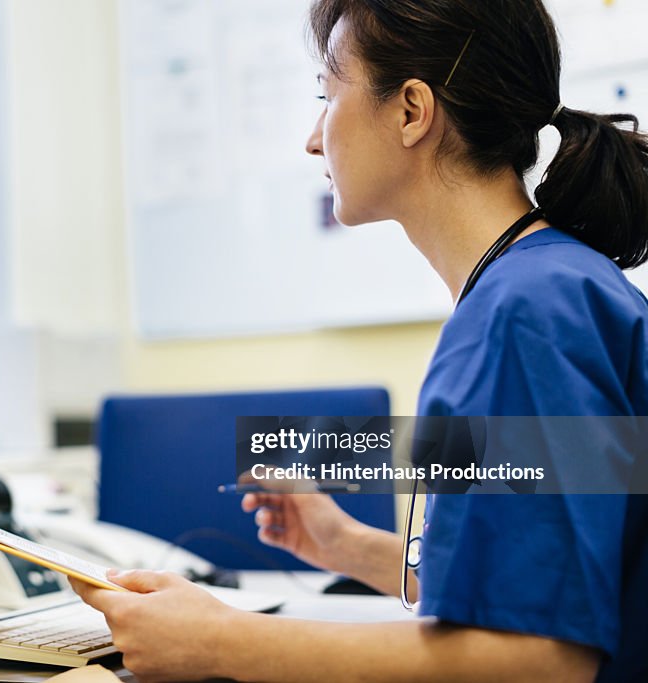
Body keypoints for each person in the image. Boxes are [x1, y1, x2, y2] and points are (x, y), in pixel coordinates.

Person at [70, 1, 648, 681]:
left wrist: (221, 642)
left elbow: (538, 658)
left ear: (411, 111)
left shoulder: (525, 313)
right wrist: (344, 544)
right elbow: (554, 585)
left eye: (327, 96)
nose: (314, 138)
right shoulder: (543, 286)